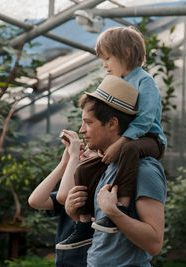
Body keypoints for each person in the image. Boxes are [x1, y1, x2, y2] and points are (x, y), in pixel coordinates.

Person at [57, 26, 167, 249]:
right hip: (127, 140)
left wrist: (121, 142)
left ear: (126, 52)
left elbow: (145, 120)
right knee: (85, 169)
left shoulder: (145, 82)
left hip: (149, 139)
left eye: (108, 58)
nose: (105, 65)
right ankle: (85, 223)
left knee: (130, 150)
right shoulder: (118, 82)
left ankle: (122, 204)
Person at [65, 75, 167, 266]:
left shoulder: (144, 169)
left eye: (88, 123)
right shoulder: (106, 167)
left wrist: (114, 212)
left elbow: (154, 243)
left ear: (112, 124)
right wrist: (76, 215)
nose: (81, 130)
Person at [28, 133, 94, 267]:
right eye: (85, 149)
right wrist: (64, 162)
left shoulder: (96, 192)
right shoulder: (73, 188)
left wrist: (74, 157)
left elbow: (63, 197)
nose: (85, 153)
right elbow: (36, 201)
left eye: (92, 151)